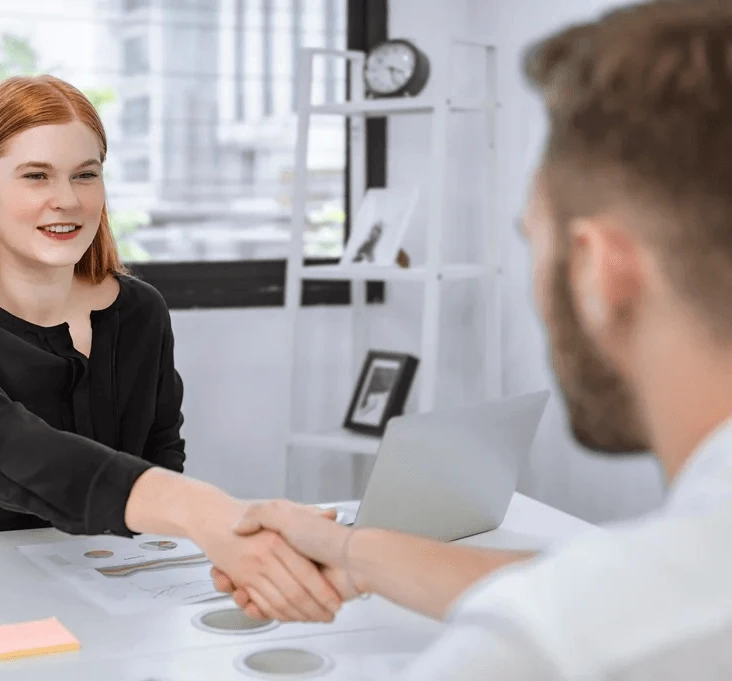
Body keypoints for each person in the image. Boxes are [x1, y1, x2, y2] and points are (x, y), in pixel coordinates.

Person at [214, 1, 732, 677]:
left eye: (531, 241)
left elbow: (601, 609)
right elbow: (612, 581)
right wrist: (350, 550)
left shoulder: (548, 649)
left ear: (601, 273)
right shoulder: (669, 579)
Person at [0, 74, 344, 623]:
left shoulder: (139, 311)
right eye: (36, 176)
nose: (68, 200)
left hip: (112, 591)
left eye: (86, 175)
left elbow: (161, 453)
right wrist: (212, 515)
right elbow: (20, 456)